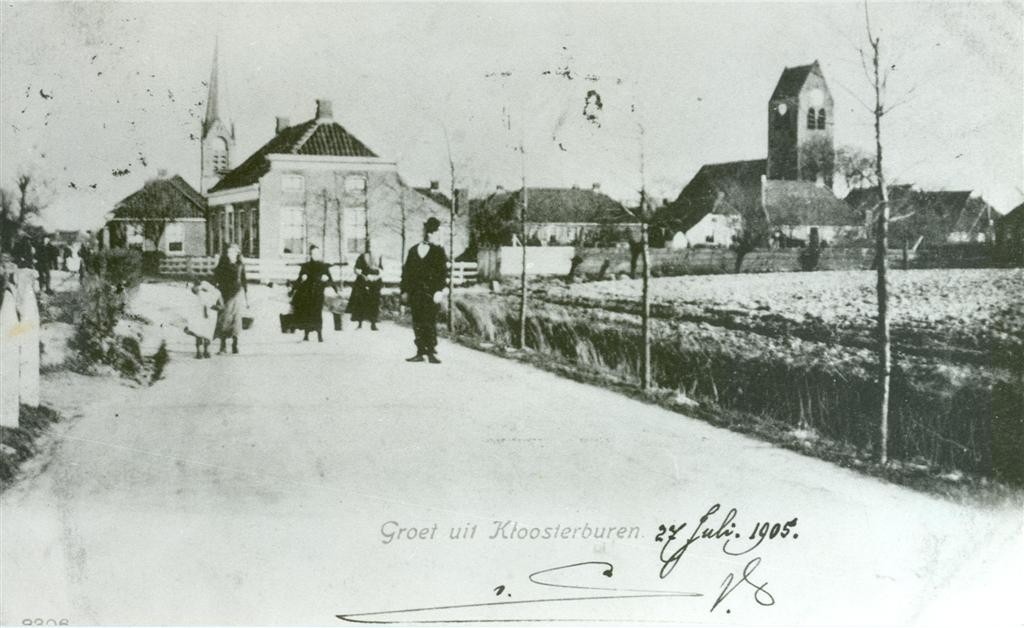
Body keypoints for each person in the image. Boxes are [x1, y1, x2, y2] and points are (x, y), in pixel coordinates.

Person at [400, 217, 448, 363]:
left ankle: (431, 351)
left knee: (429, 321)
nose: (429, 234)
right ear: (424, 231)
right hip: (415, 293)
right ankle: (420, 351)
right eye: (427, 231)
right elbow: (406, 273)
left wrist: (440, 291)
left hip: (431, 294)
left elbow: (443, 273)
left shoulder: (438, 252)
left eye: (432, 232)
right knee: (417, 322)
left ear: (436, 233)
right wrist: (404, 291)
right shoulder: (413, 250)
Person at [289, 244, 338, 342]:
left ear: (319, 254)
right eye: (313, 253)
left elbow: (330, 279)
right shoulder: (306, 266)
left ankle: (319, 334)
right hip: (307, 293)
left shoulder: (323, 266)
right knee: (307, 313)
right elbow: (299, 279)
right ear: (310, 255)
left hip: (318, 293)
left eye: (317, 253)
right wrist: (294, 288)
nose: (315, 255)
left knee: (317, 313)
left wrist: (331, 285)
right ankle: (306, 334)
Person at [213, 243, 248, 354]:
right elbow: (215, 277)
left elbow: (244, 280)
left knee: (236, 320)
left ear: (237, 253)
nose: (230, 254)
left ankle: (235, 345)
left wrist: (247, 298)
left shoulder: (240, 265)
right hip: (224, 294)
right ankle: (222, 346)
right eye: (228, 252)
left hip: (237, 294)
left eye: (232, 252)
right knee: (224, 319)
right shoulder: (222, 264)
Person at [346, 246, 383, 330]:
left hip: (375, 282)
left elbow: (381, 268)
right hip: (364, 282)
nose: (372, 248)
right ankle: (360, 323)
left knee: (374, 302)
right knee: (362, 302)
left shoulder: (379, 256)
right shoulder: (362, 256)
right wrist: (364, 276)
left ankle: (373, 323)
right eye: (371, 245)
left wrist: (378, 276)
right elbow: (356, 269)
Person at [185, 279, 222, 359]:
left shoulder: (200, 291)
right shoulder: (217, 292)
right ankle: (205, 351)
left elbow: (192, 289)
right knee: (207, 332)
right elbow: (221, 306)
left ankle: (200, 352)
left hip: (201, 312)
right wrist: (214, 307)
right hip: (210, 313)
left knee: (199, 332)